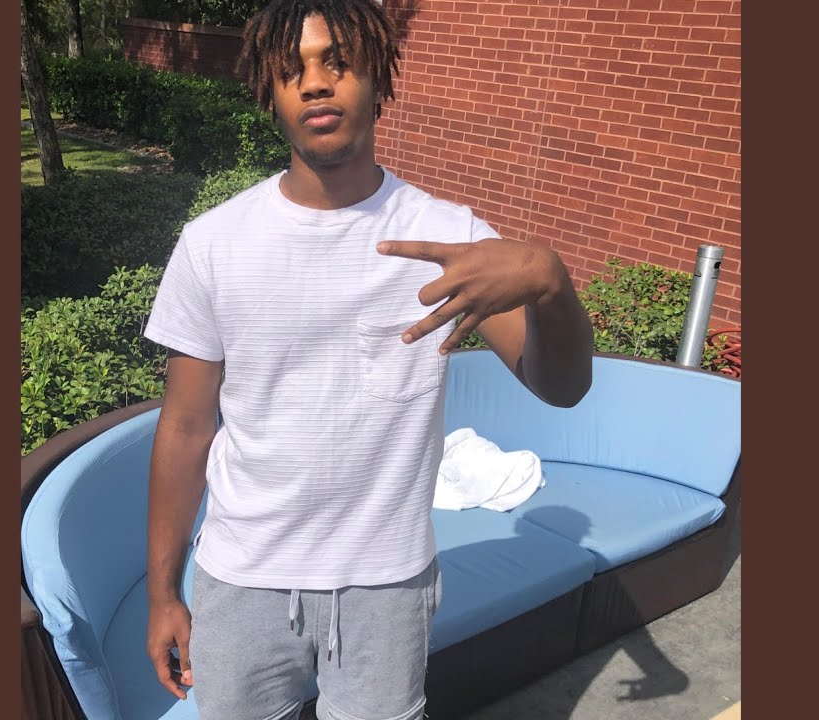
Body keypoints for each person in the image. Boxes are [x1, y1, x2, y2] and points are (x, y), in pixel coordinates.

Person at [142, 1, 594, 718]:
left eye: (339, 62)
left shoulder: (450, 239)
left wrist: (551, 282)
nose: (315, 83)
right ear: (269, 93)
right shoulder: (214, 245)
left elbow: (562, 388)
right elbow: (186, 426)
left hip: (387, 584)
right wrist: (164, 593)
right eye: (291, 70)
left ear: (378, 77)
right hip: (242, 578)